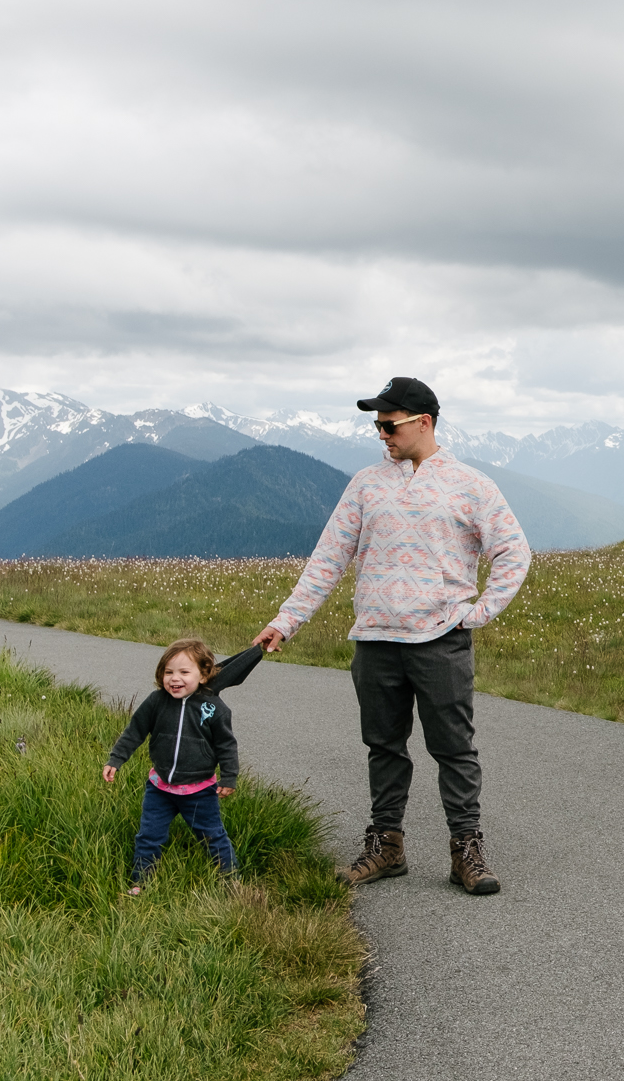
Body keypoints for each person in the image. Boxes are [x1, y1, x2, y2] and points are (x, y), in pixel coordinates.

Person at [252, 376, 530, 897]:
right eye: (377, 425)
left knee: (454, 749)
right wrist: (285, 620)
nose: (381, 434)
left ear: (423, 422)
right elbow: (329, 559)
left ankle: (466, 852)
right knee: (383, 746)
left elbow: (515, 551)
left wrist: (480, 612)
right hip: (375, 639)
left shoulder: (471, 484)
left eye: (389, 424)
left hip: (440, 639)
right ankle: (386, 846)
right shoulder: (365, 484)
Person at [103, 637, 264, 896]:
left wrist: (229, 777)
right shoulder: (156, 702)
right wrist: (116, 759)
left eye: (184, 672)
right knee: (148, 836)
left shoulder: (214, 708)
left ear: (203, 675)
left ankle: (230, 880)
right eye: (168, 672)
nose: (174, 678)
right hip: (160, 788)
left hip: (199, 791)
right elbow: (135, 731)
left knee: (213, 836)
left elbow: (226, 745)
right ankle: (141, 881)